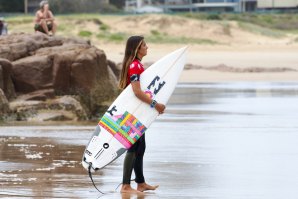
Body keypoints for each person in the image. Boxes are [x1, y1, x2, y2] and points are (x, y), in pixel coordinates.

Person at [118, 36, 166, 193]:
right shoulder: (134, 66)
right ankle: (125, 185)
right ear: (137, 48)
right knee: (134, 145)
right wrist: (155, 105)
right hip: (133, 111)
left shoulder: (136, 64)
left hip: (137, 109)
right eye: (144, 45)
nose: (147, 47)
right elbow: (137, 92)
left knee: (140, 146)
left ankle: (141, 183)